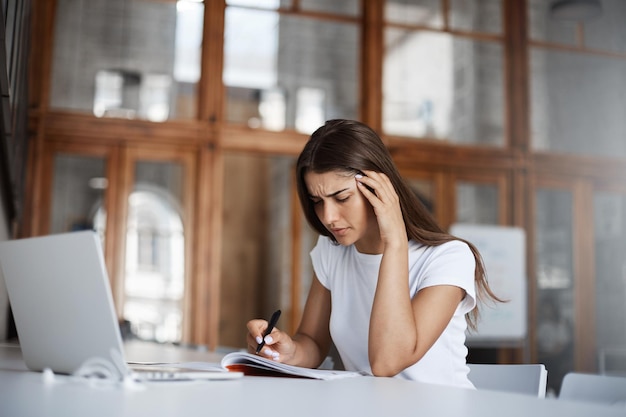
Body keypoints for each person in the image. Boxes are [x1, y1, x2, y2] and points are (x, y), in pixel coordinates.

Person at [246, 119, 502, 388]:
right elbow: (312, 341)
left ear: (379, 188)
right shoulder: (332, 252)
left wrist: (395, 242)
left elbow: (386, 362)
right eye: (317, 202)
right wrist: (288, 351)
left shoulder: (448, 258)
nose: (328, 217)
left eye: (342, 198)